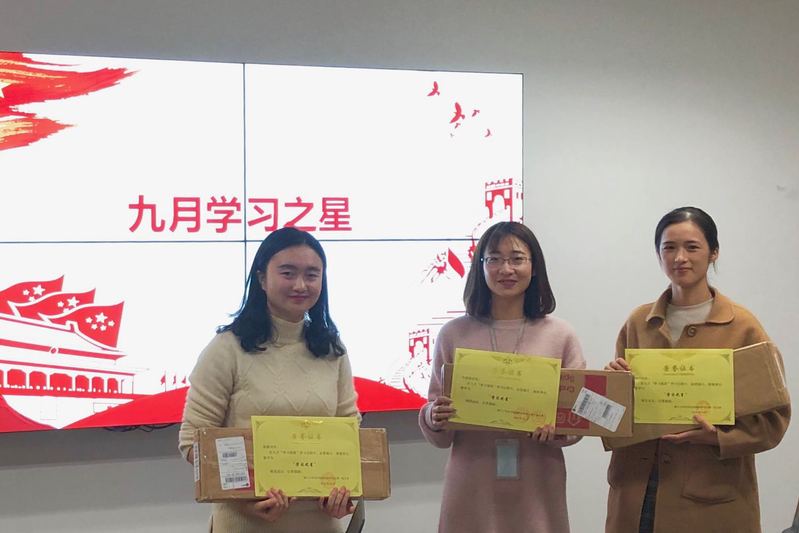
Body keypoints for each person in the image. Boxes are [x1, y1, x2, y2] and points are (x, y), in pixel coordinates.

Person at [604, 206, 791, 533]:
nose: (680, 258)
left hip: (709, 497)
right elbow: (613, 415)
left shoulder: (742, 326)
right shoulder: (639, 323)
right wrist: (613, 385)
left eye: (692, 247)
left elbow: (774, 419)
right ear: (659, 254)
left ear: (713, 252)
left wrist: (718, 437)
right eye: (669, 248)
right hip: (638, 491)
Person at [178, 227, 360, 533]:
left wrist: (342, 494)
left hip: (320, 524)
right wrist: (246, 499)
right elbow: (193, 441)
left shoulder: (332, 349)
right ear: (262, 279)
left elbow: (348, 433)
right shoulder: (227, 348)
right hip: (245, 523)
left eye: (312, 275)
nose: (300, 285)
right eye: (288, 273)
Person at [419, 221, 586, 533]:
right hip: (472, 482)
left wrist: (560, 429)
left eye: (517, 258)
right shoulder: (454, 333)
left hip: (537, 482)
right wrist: (434, 416)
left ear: (534, 267)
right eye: (494, 259)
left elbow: (576, 417)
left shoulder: (561, 334)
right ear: (480, 267)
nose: (506, 269)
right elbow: (438, 427)